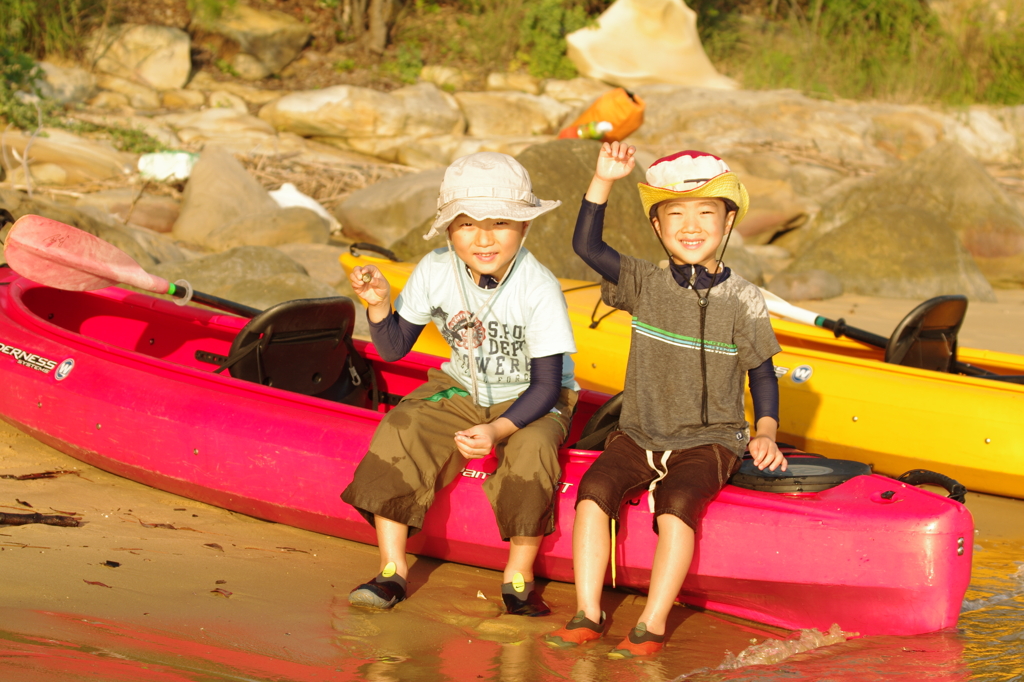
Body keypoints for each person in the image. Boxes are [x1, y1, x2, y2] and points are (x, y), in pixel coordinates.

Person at [544, 142, 786, 657]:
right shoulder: (643, 283)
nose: (691, 225)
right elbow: (587, 246)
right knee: (591, 493)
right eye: (675, 214)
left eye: (706, 213)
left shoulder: (743, 299)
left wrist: (765, 431)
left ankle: (651, 624)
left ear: (727, 223)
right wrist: (603, 180)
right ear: (658, 226)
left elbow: (762, 373)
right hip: (637, 433)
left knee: (677, 507)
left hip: (711, 440)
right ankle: (588, 611)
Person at [341, 152, 579, 617]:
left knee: (532, 451)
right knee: (402, 426)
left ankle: (518, 576)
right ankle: (392, 570)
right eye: (468, 224)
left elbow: (548, 385)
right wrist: (377, 304)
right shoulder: (434, 269)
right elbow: (393, 349)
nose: (484, 238)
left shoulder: (539, 287)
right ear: (449, 230)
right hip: (462, 390)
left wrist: (496, 431)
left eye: (500, 223)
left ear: (525, 228)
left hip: (531, 397)